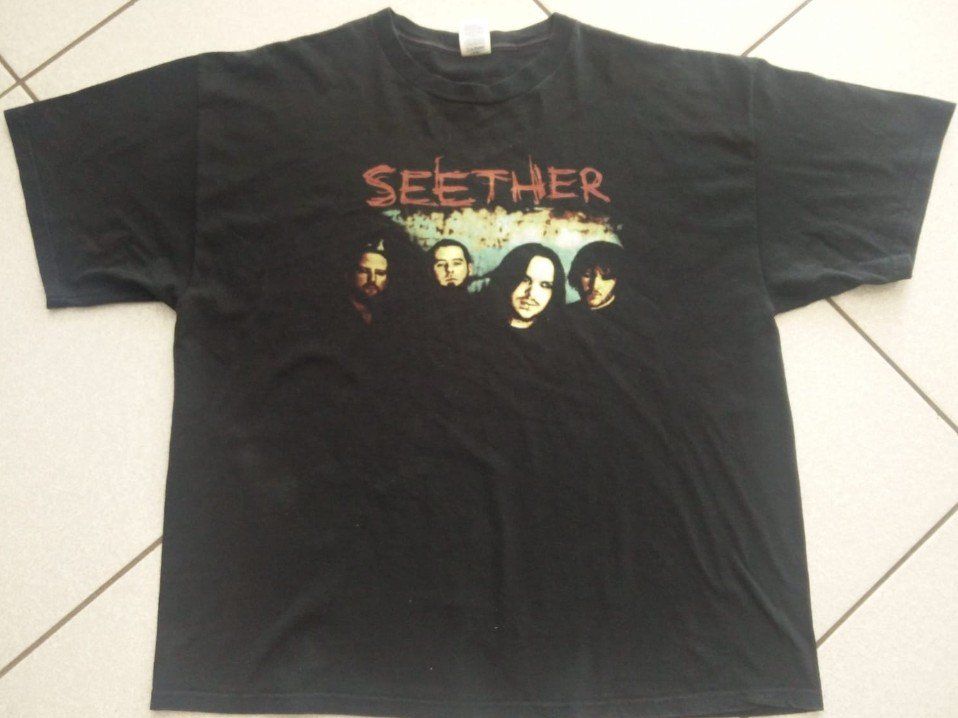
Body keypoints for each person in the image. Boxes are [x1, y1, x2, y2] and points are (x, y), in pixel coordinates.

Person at [482, 242, 566, 331]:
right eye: (524, 280)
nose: (531, 293)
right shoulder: (477, 325)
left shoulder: (560, 335)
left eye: (545, 285)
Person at [566, 240, 625, 313]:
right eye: (587, 275)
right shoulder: (565, 313)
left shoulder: (628, 315)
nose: (595, 285)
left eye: (606, 277)